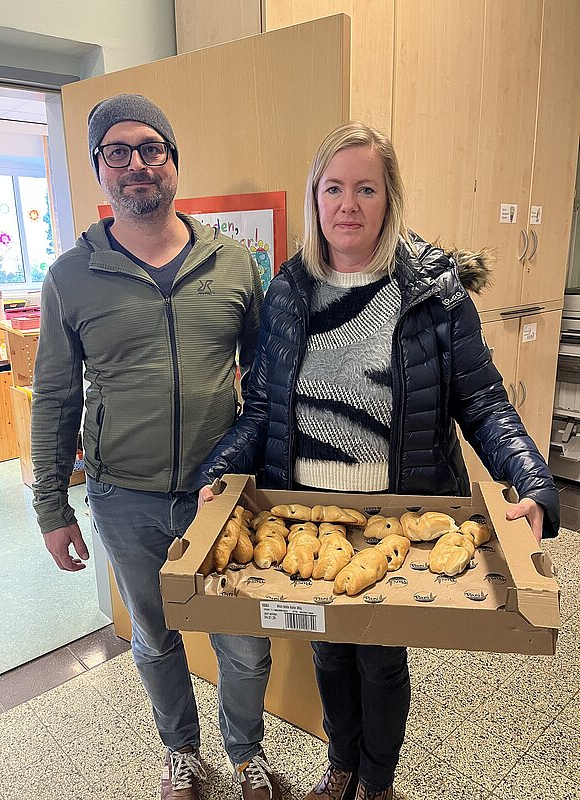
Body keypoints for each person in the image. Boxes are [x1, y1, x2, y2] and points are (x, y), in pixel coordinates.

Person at [196, 121, 560, 800]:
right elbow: (261, 409)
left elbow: (483, 402)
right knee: (329, 649)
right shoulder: (289, 290)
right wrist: (219, 471)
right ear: (315, 197)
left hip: (398, 516)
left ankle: (376, 781)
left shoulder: (432, 290)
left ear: (389, 197)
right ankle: (341, 764)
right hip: (307, 516)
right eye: (333, 188)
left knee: (381, 657)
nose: (348, 205)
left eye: (366, 188)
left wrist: (533, 481)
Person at [31, 94, 283, 800]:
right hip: (123, 498)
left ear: (174, 162)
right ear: (100, 169)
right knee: (156, 635)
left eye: (152, 148)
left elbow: (266, 382)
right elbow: (54, 397)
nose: (137, 163)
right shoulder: (70, 277)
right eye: (118, 151)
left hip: (222, 495)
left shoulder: (234, 263)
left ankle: (246, 753)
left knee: (245, 639)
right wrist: (52, 507)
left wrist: (268, 472)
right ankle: (181, 754)